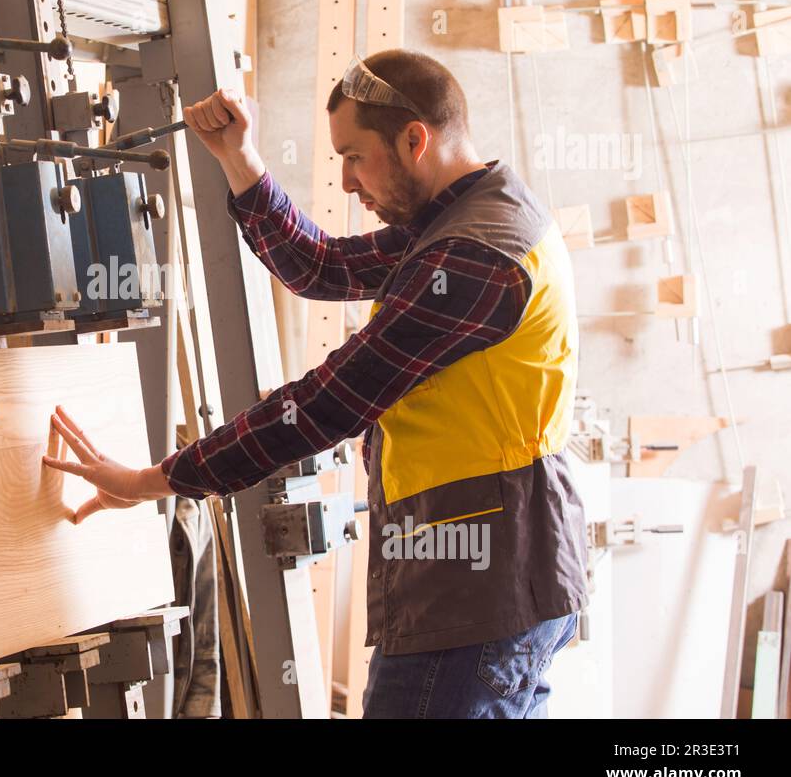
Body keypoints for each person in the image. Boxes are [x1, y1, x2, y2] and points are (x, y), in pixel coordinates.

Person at [43, 49, 587, 718]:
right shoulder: (466, 218)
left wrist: (155, 479)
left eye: (355, 157)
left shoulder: (473, 256)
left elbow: (324, 405)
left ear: (414, 139)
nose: (349, 181)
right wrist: (238, 158)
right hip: (492, 580)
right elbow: (323, 267)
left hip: (476, 593)